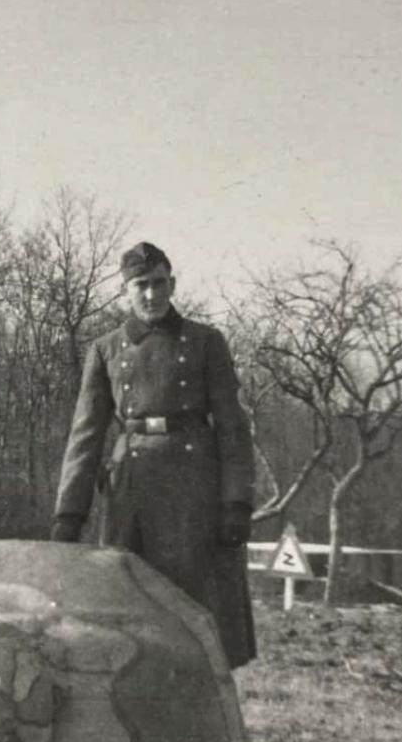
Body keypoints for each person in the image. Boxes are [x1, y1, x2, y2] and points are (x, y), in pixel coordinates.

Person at [50, 241, 258, 669]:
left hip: (193, 490)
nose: (150, 294)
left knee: (194, 614)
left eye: (159, 283)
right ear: (125, 291)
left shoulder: (205, 342)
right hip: (131, 492)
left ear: (172, 284)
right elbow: (85, 435)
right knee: (126, 606)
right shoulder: (106, 349)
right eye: (140, 285)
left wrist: (236, 501)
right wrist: (69, 514)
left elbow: (233, 428)